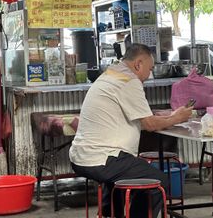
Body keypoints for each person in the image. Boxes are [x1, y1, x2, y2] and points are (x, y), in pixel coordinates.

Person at [69, 43, 193, 218]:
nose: (149, 76)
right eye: (149, 69)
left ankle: (109, 214)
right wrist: (177, 118)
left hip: (82, 156)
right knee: (158, 183)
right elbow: (149, 124)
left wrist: (171, 117)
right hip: (101, 158)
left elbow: (142, 121)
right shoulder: (129, 81)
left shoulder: (111, 74)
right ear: (138, 64)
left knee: (123, 175)